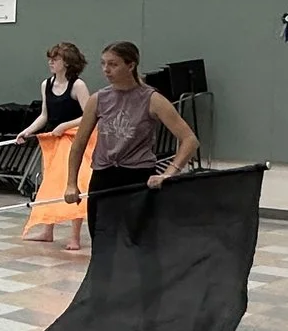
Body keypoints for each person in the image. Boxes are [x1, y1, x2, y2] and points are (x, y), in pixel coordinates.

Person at [64, 41, 199, 234]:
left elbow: (189, 140)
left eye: (113, 64)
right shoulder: (98, 99)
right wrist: (71, 183)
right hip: (103, 176)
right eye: (103, 64)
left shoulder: (152, 99)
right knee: (102, 237)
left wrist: (169, 173)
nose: (106, 69)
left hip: (137, 176)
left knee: (137, 238)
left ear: (130, 65)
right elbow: (78, 144)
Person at [14, 42, 93, 250]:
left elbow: (89, 115)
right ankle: (47, 231)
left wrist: (65, 126)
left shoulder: (78, 85)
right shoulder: (46, 84)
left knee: (74, 184)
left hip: (73, 140)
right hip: (52, 142)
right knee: (49, 184)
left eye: (55, 59)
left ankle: (74, 237)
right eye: (50, 58)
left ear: (67, 62)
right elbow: (44, 115)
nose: (50, 62)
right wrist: (27, 131)